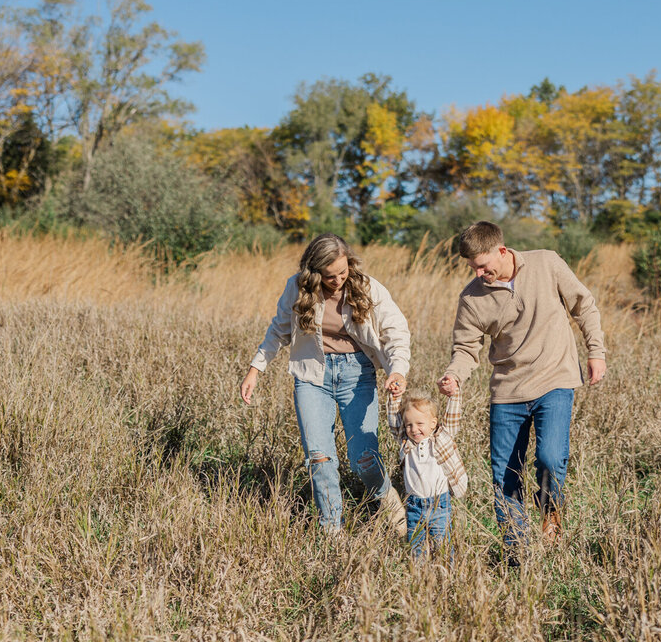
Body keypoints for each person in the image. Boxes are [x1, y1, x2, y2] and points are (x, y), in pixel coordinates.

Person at [437, 221, 606, 555]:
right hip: (507, 392)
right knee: (505, 475)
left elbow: (583, 305)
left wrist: (596, 352)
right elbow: (466, 349)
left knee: (550, 457)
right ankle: (517, 552)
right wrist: (454, 374)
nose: (478, 272)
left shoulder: (546, 263)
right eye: (472, 267)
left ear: (502, 251)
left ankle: (550, 510)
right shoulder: (472, 297)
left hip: (554, 379)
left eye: (483, 265)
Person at [240, 233, 410, 535]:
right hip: (312, 378)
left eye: (343, 273)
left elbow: (396, 330)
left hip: (357, 374)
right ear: (314, 272)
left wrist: (397, 370)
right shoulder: (297, 287)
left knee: (364, 459)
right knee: (319, 457)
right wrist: (255, 369)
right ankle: (332, 530)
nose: (337, 280)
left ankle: (387, 500)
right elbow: (278, 328)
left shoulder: (367, 287)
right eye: (329, 276)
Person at [386, 384, 468, 559]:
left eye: (419, 424)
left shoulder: (441, 439)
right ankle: (419, 577)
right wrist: (394, 398)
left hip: (439, 504)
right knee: (417, 548)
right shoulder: (406, 443)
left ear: (433, 423)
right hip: (414, 506)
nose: (414, 429)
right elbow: (394, 423)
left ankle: (448, 575)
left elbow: (453, 418)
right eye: (409, 425)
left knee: (443, 546)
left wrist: (454, 395)